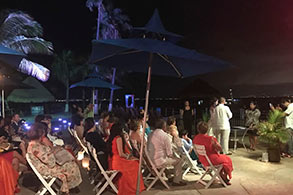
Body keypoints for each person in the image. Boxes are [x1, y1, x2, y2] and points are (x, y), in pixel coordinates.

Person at [27, 123, 82, 195]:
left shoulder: (34, 144)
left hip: (45, 166)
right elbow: (50, 162)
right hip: (45, 169)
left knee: (69, 164)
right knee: (71, 166)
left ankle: (67, 188)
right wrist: (52, 153)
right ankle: (66, 189)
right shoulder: (36, 147)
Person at [107, 122, 145, 195]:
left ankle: (134, 185)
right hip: (119, 161)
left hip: (115, 161)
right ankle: (134, 186)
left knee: (135, 162)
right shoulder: (119, 138)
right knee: (136, 164)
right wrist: (129, 157)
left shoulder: (112, 138)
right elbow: (121, 154)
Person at [147, 119, 186, 186]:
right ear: (163, 126)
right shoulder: (164, 136)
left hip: (150, 160)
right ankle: (177, 181)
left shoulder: (151, 134)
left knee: (169, 159)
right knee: (179, 161)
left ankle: (169, 176)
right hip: (159, 161)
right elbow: (169, 153)